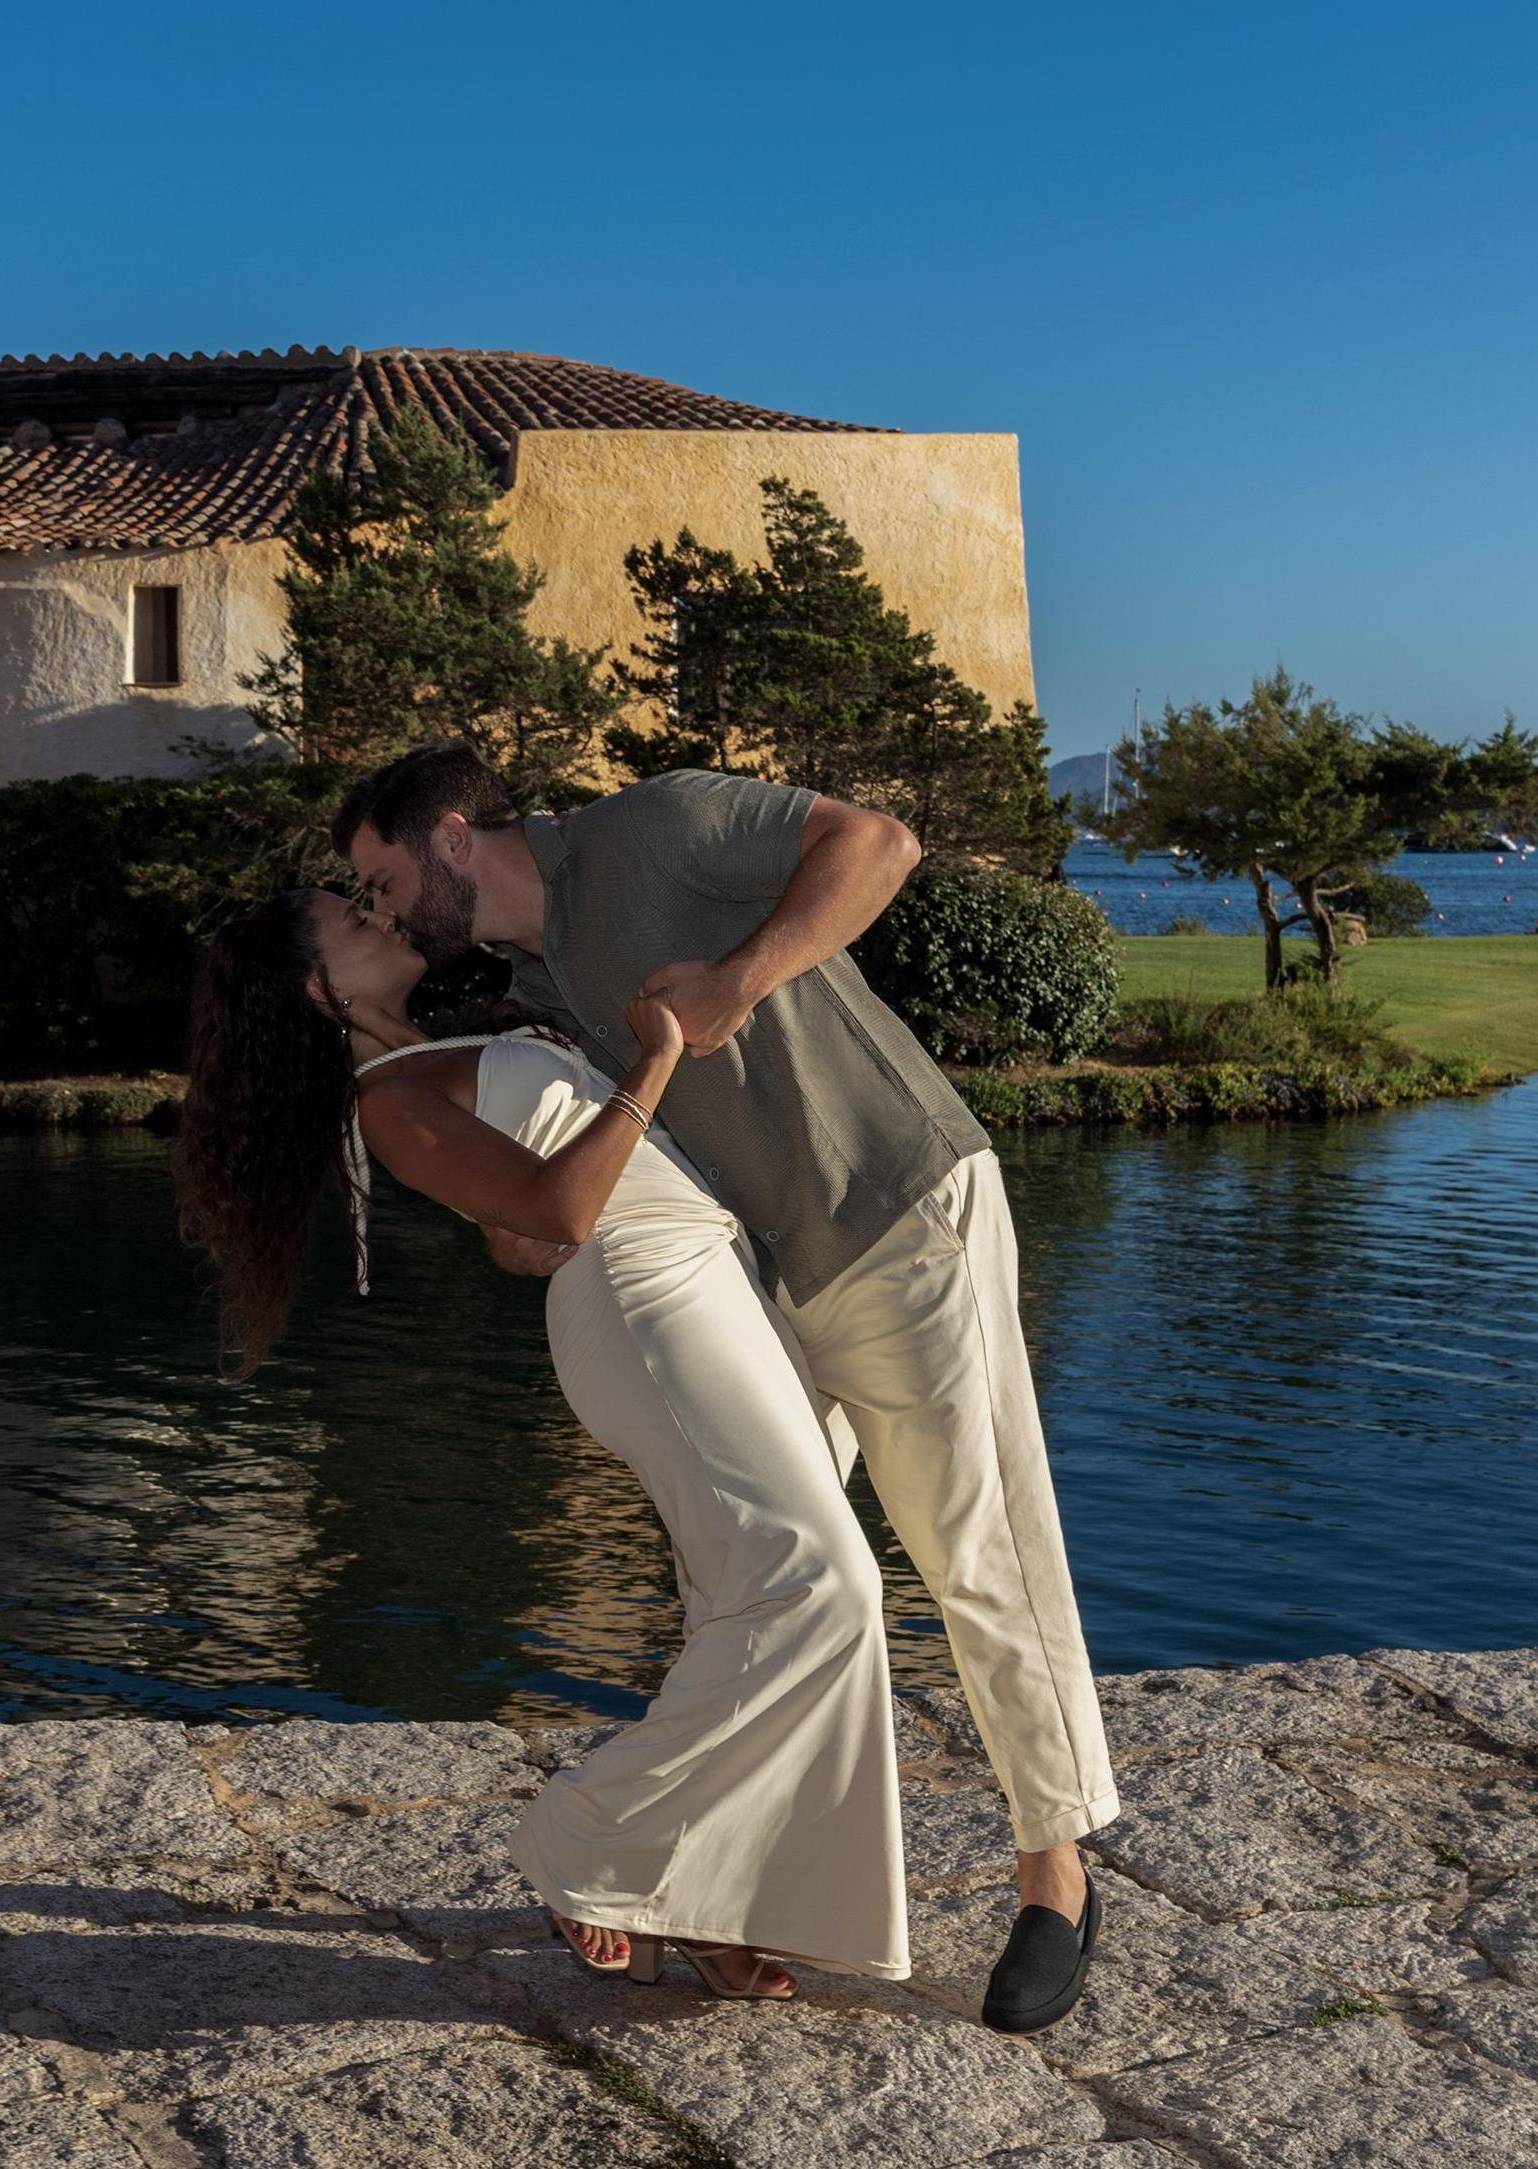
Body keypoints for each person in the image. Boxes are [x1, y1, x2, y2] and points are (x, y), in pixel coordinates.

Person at [334, 741, 1119, 2034]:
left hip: (896, 1208)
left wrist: (737, 979)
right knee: (756, 1580)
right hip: (767, 1277)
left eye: (381, 880)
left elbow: (880, 845)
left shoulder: (652, 825)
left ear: (453, 837)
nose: (381, 910)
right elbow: (585, 1168)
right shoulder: (540, 984)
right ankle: (709, 1885)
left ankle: (1058, 1874)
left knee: (975, 1546)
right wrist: (517, 1235)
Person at [171, 888, 905, 1998]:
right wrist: (655, 1061)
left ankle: (707, 1895)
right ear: (321, 991)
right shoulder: (389, 1098)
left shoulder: (449, 1045)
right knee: (820, 1582)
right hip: (648, 1300)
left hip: (714, 1276)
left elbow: (524, 1217)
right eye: (354, 924)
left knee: (741, 1599)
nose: (382, 919)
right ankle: (584, 1842)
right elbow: (562, 1211)